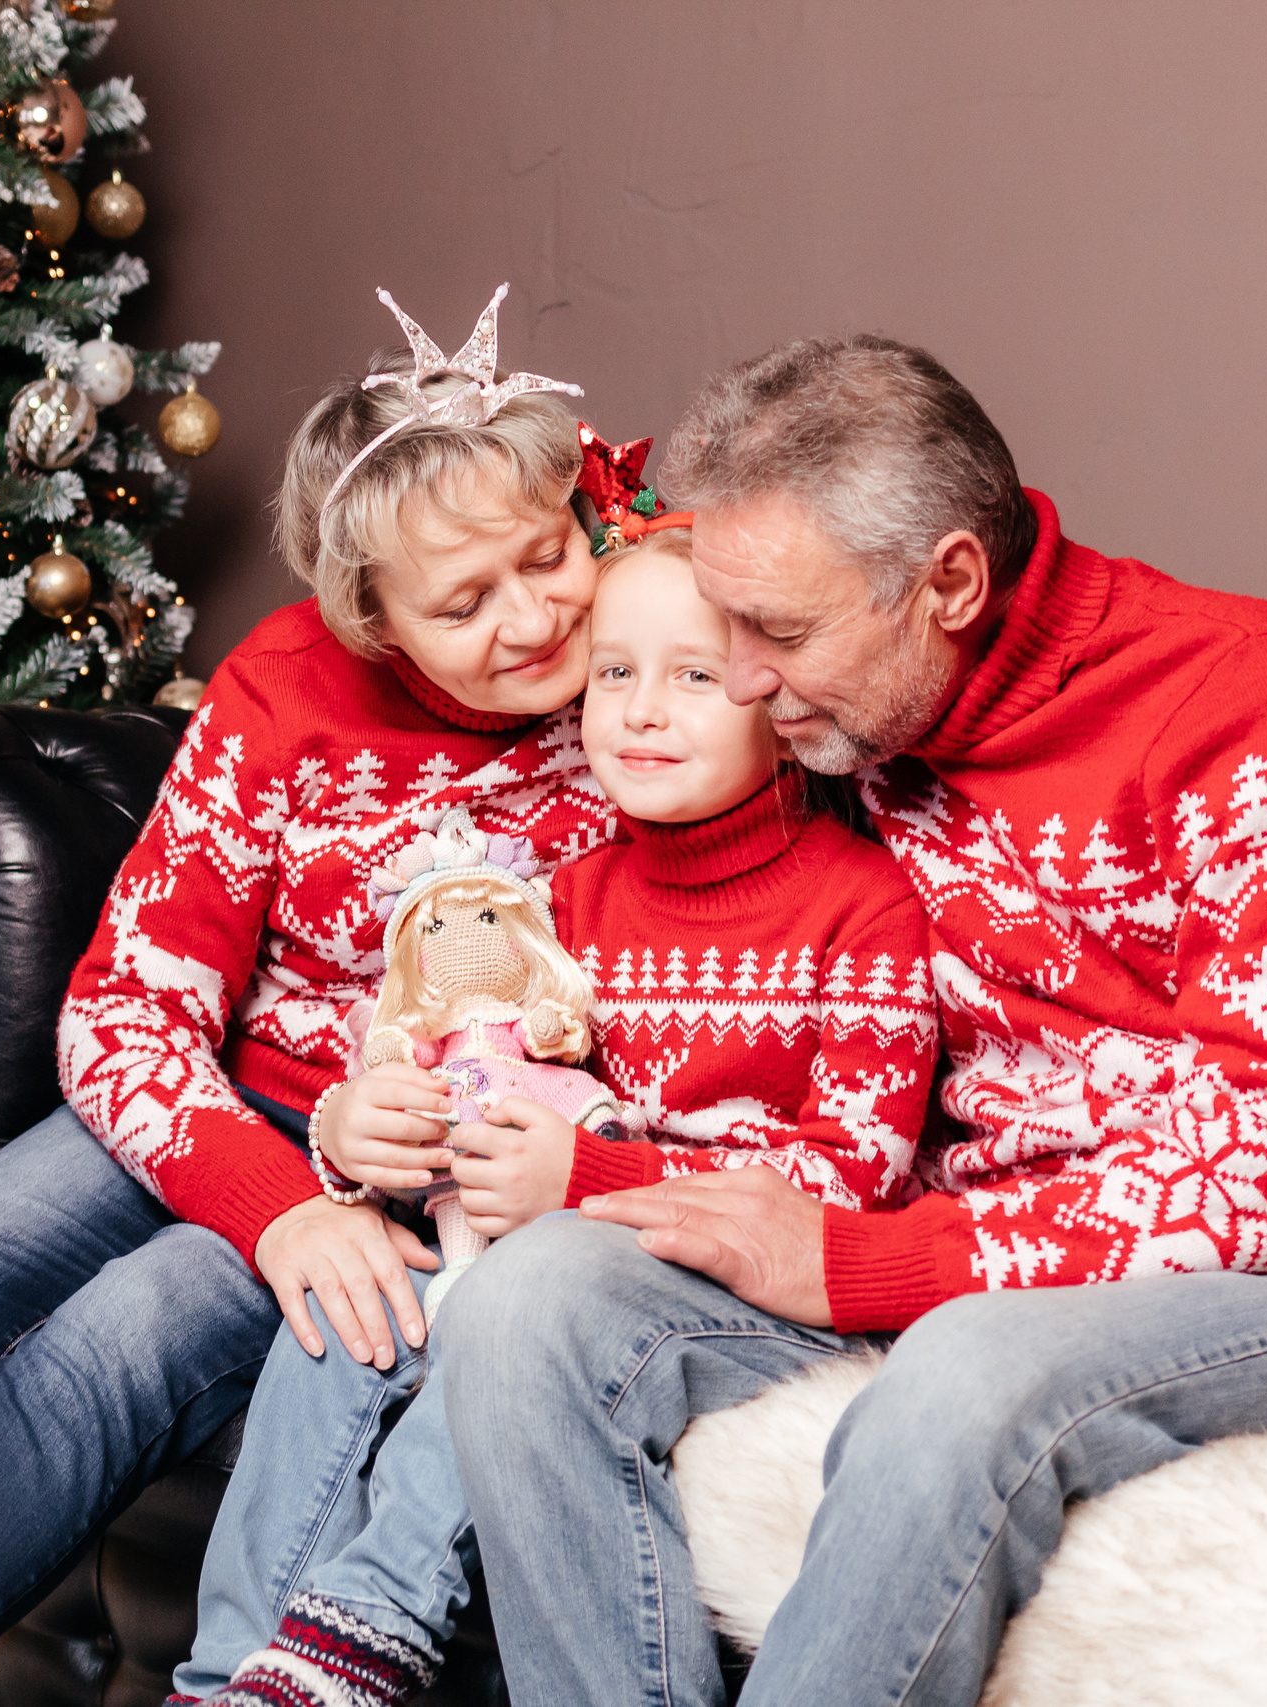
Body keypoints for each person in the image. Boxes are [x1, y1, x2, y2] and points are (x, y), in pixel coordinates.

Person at [439, 336, 1267, 1707]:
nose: (747, 679)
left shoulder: (1255, 703)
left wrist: (867, 1261)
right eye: (731, 625)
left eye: (780, 633)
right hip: (974, 1240)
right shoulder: (860, 720)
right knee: (526, 1303)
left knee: (962, 1372)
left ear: (951, 582)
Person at [0, 285, 621, 1707]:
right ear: (373, 619)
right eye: (463, 604)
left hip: (429, 1166)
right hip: (237, 1103)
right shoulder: (288, 691)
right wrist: (272, 1200)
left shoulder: (649, 679)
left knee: (131, 1329)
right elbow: (126, 1009)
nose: (534, 616)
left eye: (548, 554)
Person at [168, 510, 940, 1707]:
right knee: (350, 1304)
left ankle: (369, 1625)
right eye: (614, 674)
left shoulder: (864, 909)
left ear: (782, 701)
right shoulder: (560, 902)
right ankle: (225, 1679)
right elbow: (483, 1065)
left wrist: (587, 1177)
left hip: (742, 1287)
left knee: (514, 1305)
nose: (641, 712)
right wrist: (370, 1131)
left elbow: (853, 1182)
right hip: (548, 1232)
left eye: (693, 678)